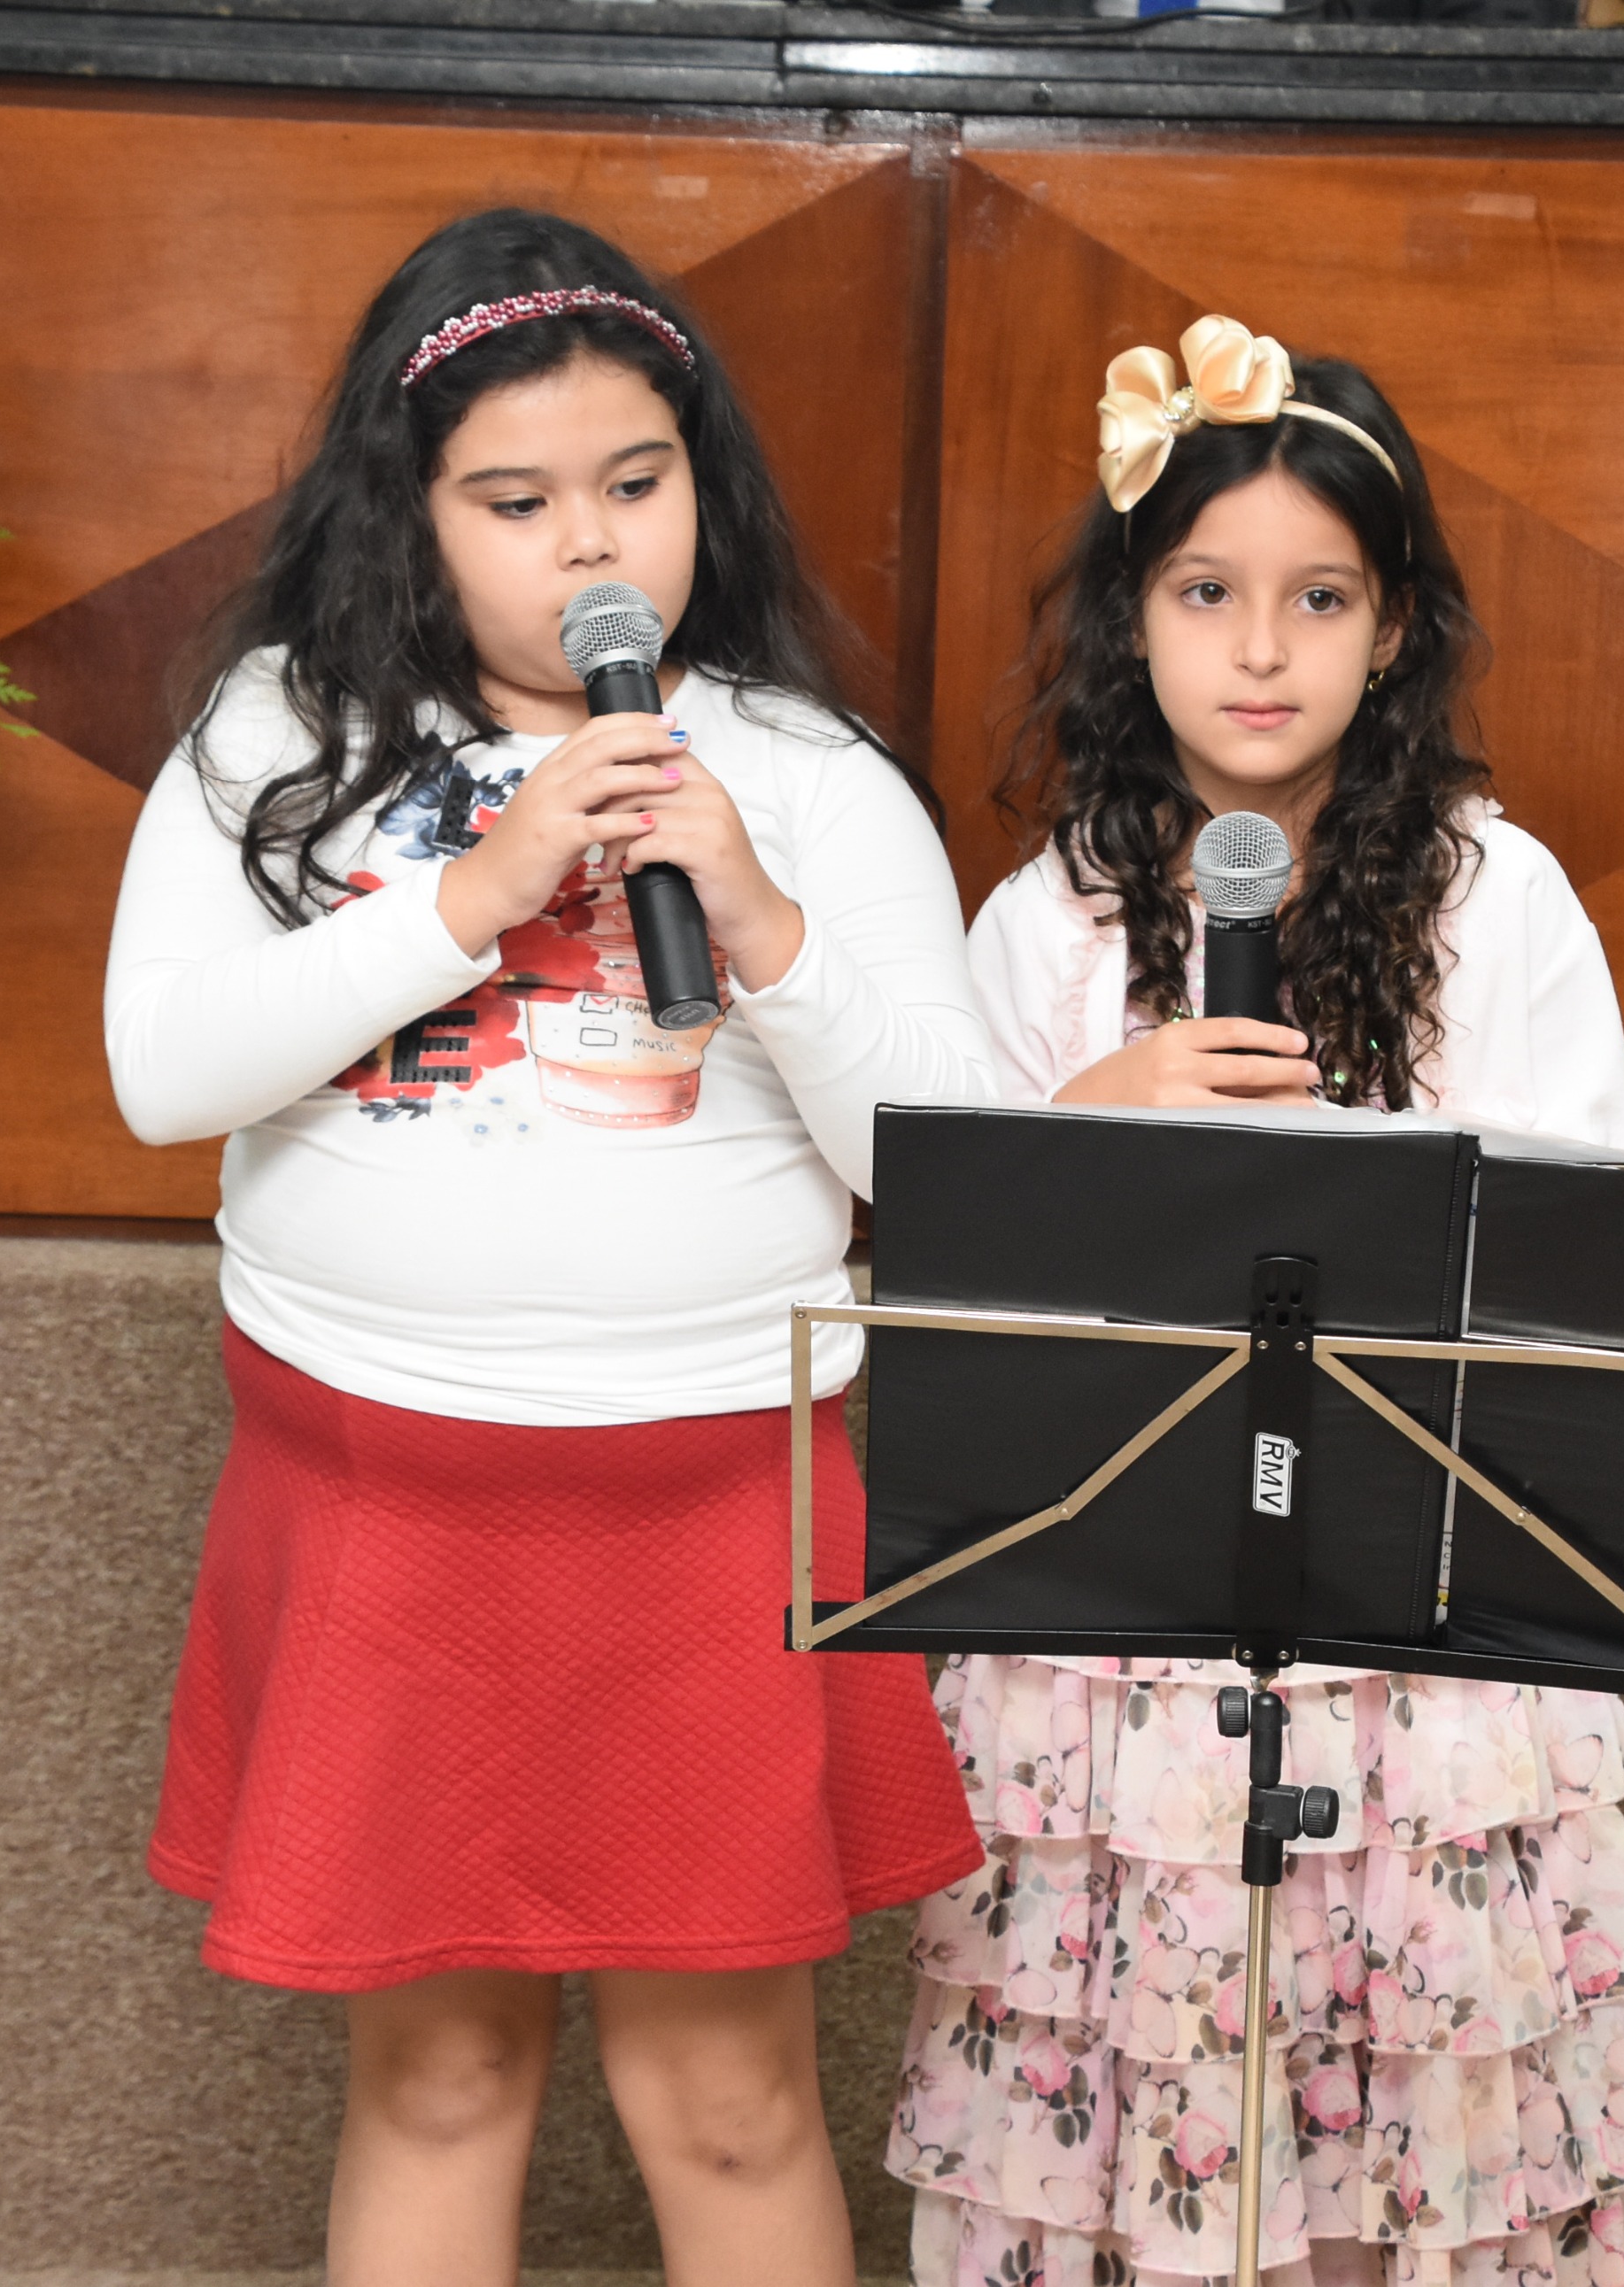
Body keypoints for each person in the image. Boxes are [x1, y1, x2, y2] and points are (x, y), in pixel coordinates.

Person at [104, 208, 992, 2287]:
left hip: (714, 1510)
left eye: (635, 482)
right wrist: (471, 890)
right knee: (438, 2075)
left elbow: (952, 1167)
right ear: (408, 518)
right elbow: (163, 1072)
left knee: (730, 2091)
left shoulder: (803, 771)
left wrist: (762, 925)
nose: (589, 544)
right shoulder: (279, 737)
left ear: (704, 485)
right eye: (514, 501)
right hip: (384, 1502)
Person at [886, 318, 1624, 2287]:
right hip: (1122, 1646)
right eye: (1205, 593)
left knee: (1400, 2138)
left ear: (1393, 629)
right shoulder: (1048, 915)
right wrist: (1093, 1116)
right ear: (1131, 620)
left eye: (1319, 598)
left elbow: (1598, 1240)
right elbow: (951, 1291)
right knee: (1146, 2135)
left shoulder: (1497, 896)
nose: (1261, 650)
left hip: (1417, 1636)